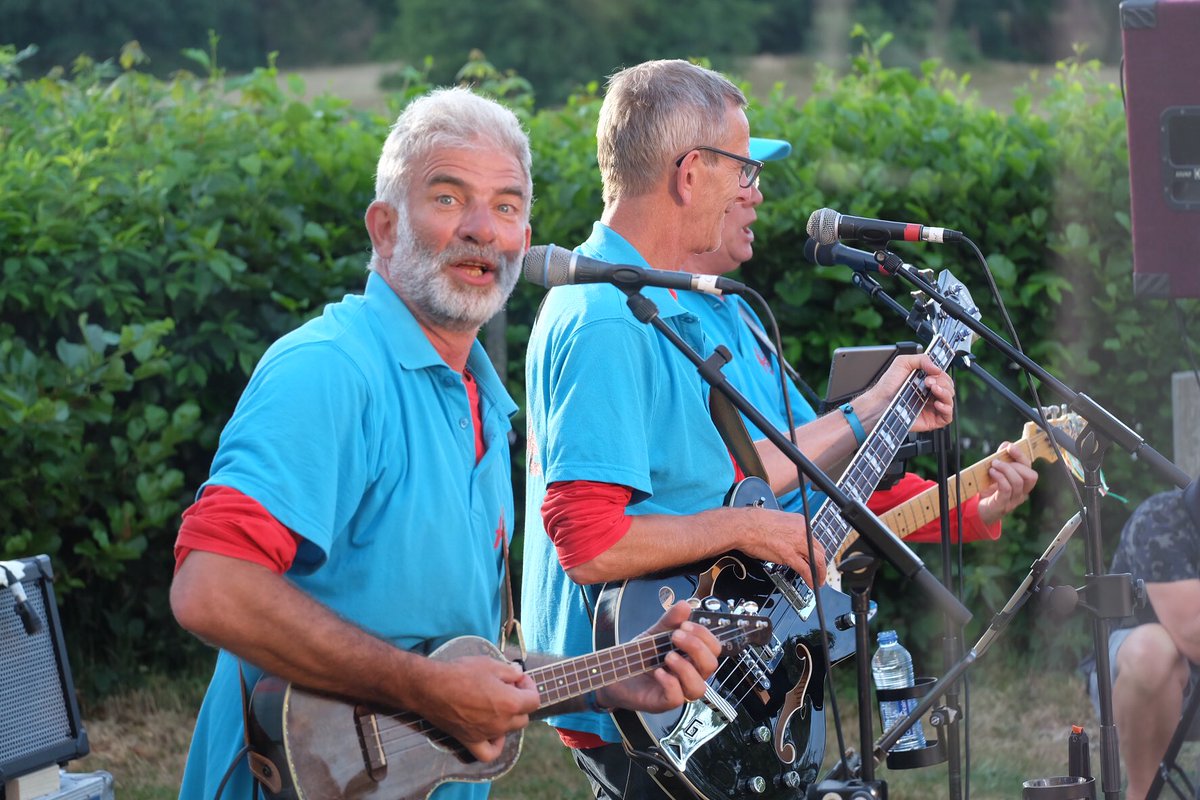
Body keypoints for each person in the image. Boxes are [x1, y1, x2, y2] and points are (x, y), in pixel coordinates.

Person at [169, 87, 721, 800]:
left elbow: (459, 662)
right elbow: (212, 590)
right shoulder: (330, 371)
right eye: (448, 197)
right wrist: (427, 689)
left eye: (508, 206)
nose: (483, 230)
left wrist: (614, 680)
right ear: (384, 227)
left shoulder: (486, 405)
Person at [521, 59, 956, 799]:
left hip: (695, 681)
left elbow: (733, 473)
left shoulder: (659, 301)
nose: (755, 191)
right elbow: (588, 542)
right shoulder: (602, 319)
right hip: (642, 714)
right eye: (744, 168)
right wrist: (747, 532)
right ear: (691, 173)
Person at [676, 137, 1040, 543]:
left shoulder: (744, 314)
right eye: (742, 174)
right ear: (690, 182)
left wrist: (977, 508)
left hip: (793, 574)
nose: (756, 195)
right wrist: (864, 413)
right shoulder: (656, 312)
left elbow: (829, 477)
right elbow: (692, 489)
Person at [1085, 481, 1200, 800]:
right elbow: (1194, 635)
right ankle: (1142, 792)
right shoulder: (1163, 519)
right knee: (1151, 650)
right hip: (1143, 679)